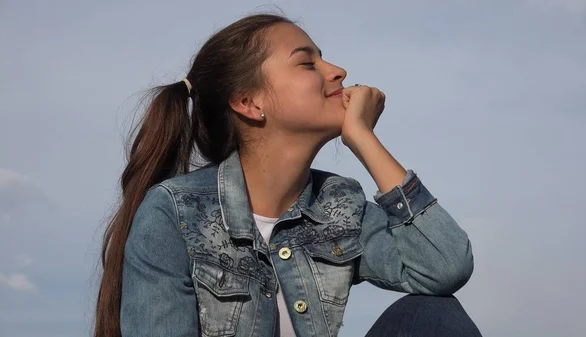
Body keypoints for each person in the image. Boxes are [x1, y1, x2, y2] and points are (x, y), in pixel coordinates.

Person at [94, 13, 481, 337]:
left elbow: (444, 269)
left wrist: (364, 139)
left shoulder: (339, 205)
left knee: (432, 317)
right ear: (249, 102)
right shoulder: (173, 215)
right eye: (307, 63)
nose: (338, 72)